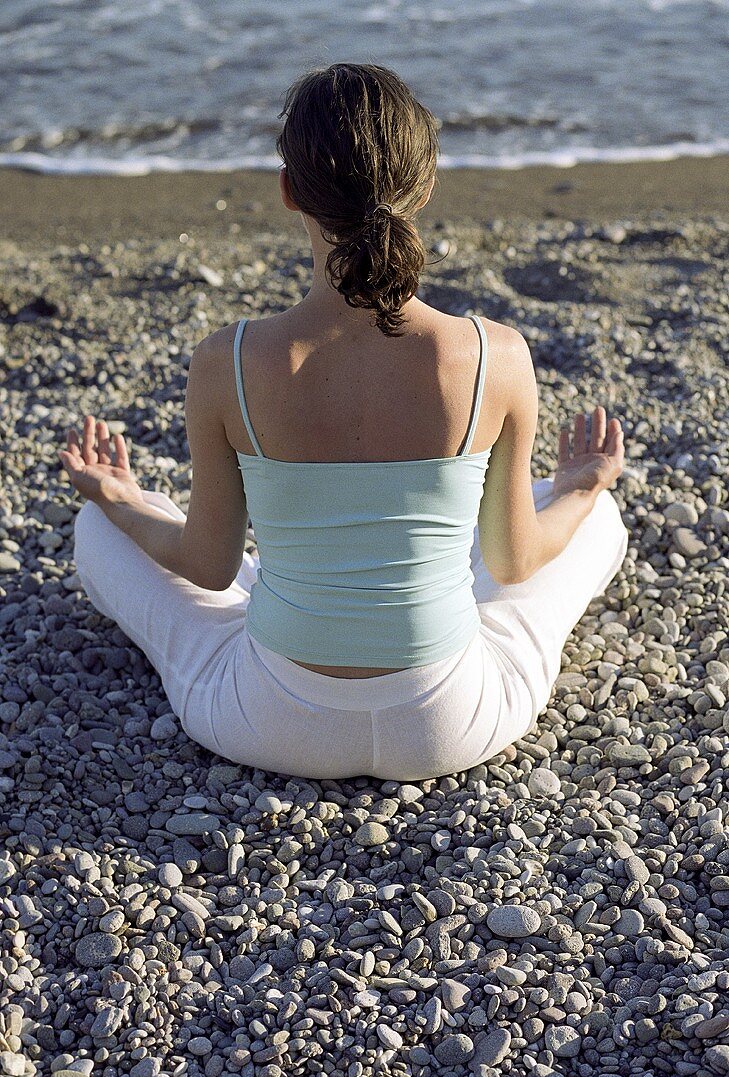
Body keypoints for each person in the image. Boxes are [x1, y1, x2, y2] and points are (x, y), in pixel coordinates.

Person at [59, 63, 628, 783]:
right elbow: (514, 562)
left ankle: (273, 588)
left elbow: (205, 566)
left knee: (100, 528)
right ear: (424, 188)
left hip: (266, 720)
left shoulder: (230, 360)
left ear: (289, 191)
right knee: (592, 518)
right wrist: (582, 485)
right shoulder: (493, 355)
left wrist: (115, 497)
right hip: (449, 723)